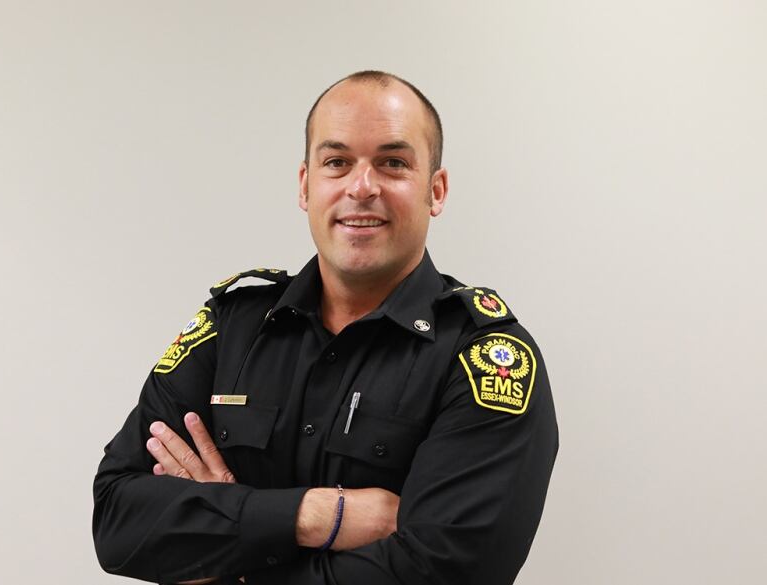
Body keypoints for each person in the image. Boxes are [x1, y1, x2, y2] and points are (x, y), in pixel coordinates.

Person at [93, 70, 559, 585]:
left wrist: (229, 556)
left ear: (436, 190)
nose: (362, 187)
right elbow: (117, 520)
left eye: (393, 163)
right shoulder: (234, 326)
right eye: (337, 162)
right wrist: (316, 516)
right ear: (305, 184)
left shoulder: (485, 357)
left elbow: (447, 571)